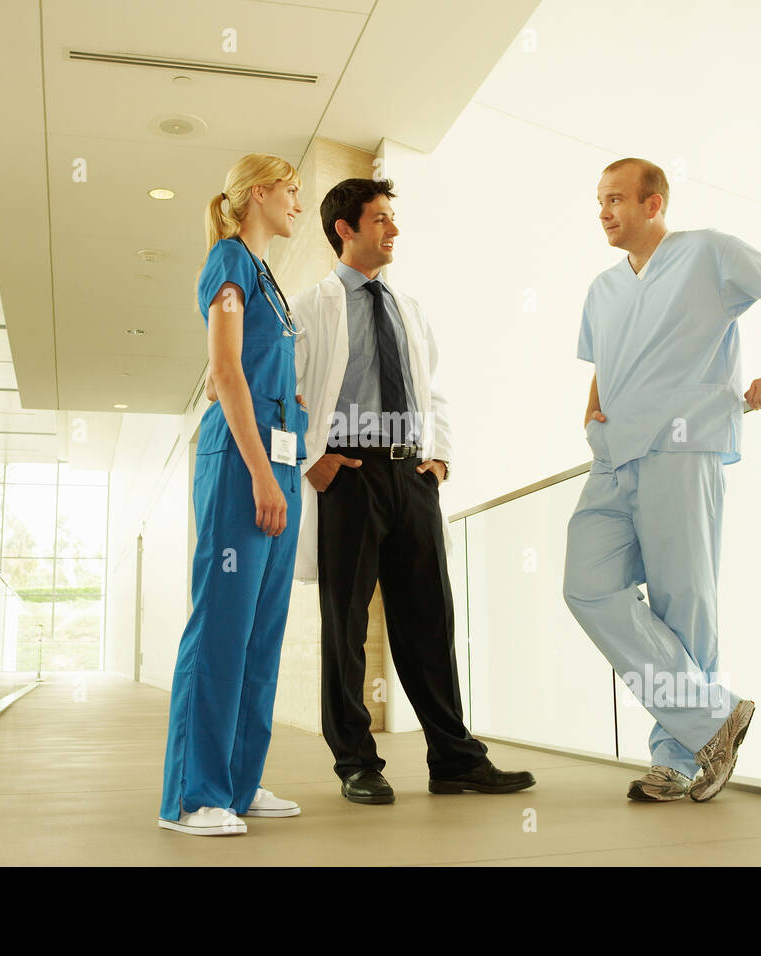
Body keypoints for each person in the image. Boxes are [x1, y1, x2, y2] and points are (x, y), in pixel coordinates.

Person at [563, 157, 761, 803]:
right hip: (615, 455)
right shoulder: (602, 288)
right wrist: (592, 410)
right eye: (599, 201)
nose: (604, 212)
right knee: (587, 586)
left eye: (615, 198)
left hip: (684, 442)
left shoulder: (709, 252)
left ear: (654, 204)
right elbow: (606, 361)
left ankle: (676, 758)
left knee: (682, 603)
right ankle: (712, 720)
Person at [290, 177, 535, 804]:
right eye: (380, 219)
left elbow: (434, 388)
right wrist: (309, 461)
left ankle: (454, 759)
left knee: (430, 617)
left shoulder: (407, 307)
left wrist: (440, 460)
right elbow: (283, 393)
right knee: (344, 626)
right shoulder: (312, 305)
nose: (393, 230)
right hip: (347, 476)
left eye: (393, 218)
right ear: (345, 229)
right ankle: (355, 761)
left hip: (411, 476)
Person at [158, 154, 308, 836]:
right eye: (291, 191)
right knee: (221, 627)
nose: (299, 204)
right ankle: (193, 796)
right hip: (243, 467)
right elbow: (223, 370)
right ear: (257, 195)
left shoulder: (268, 280)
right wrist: (259, 472)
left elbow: (251, 368)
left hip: (277, 459)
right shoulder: (228, 262)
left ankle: (238, 784)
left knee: (260, 634)